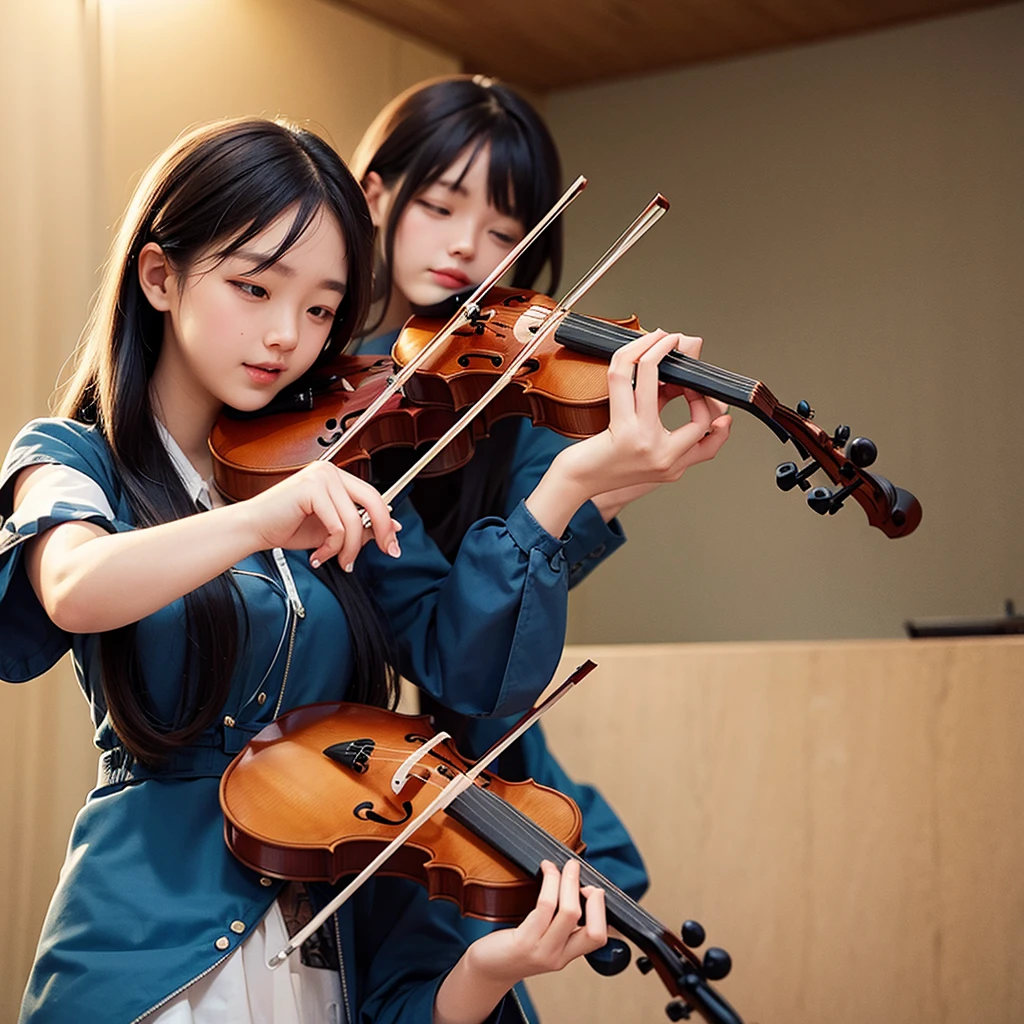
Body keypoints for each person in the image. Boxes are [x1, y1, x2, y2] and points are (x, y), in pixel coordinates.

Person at [0, 116, 726, 1023]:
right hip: (140, 948)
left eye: (317, 309)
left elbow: (461, 664)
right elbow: (73, 587)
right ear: (159, 275)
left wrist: (575, 480)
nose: (285, 337)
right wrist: (262, 516)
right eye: (254, 288)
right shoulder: (74, 456)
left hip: (324, 951)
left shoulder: (337, 470)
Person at [348, 75, 732, 1019]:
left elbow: (486, 674)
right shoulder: (327, 398)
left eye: (502, 230)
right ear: (374, 198)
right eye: (438, 206)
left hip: (460, 756)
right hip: (347, 767)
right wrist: (568, 496)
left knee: (567, 902)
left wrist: (590, 494)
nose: (464, 247)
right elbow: (443, 645)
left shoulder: (513, 411)